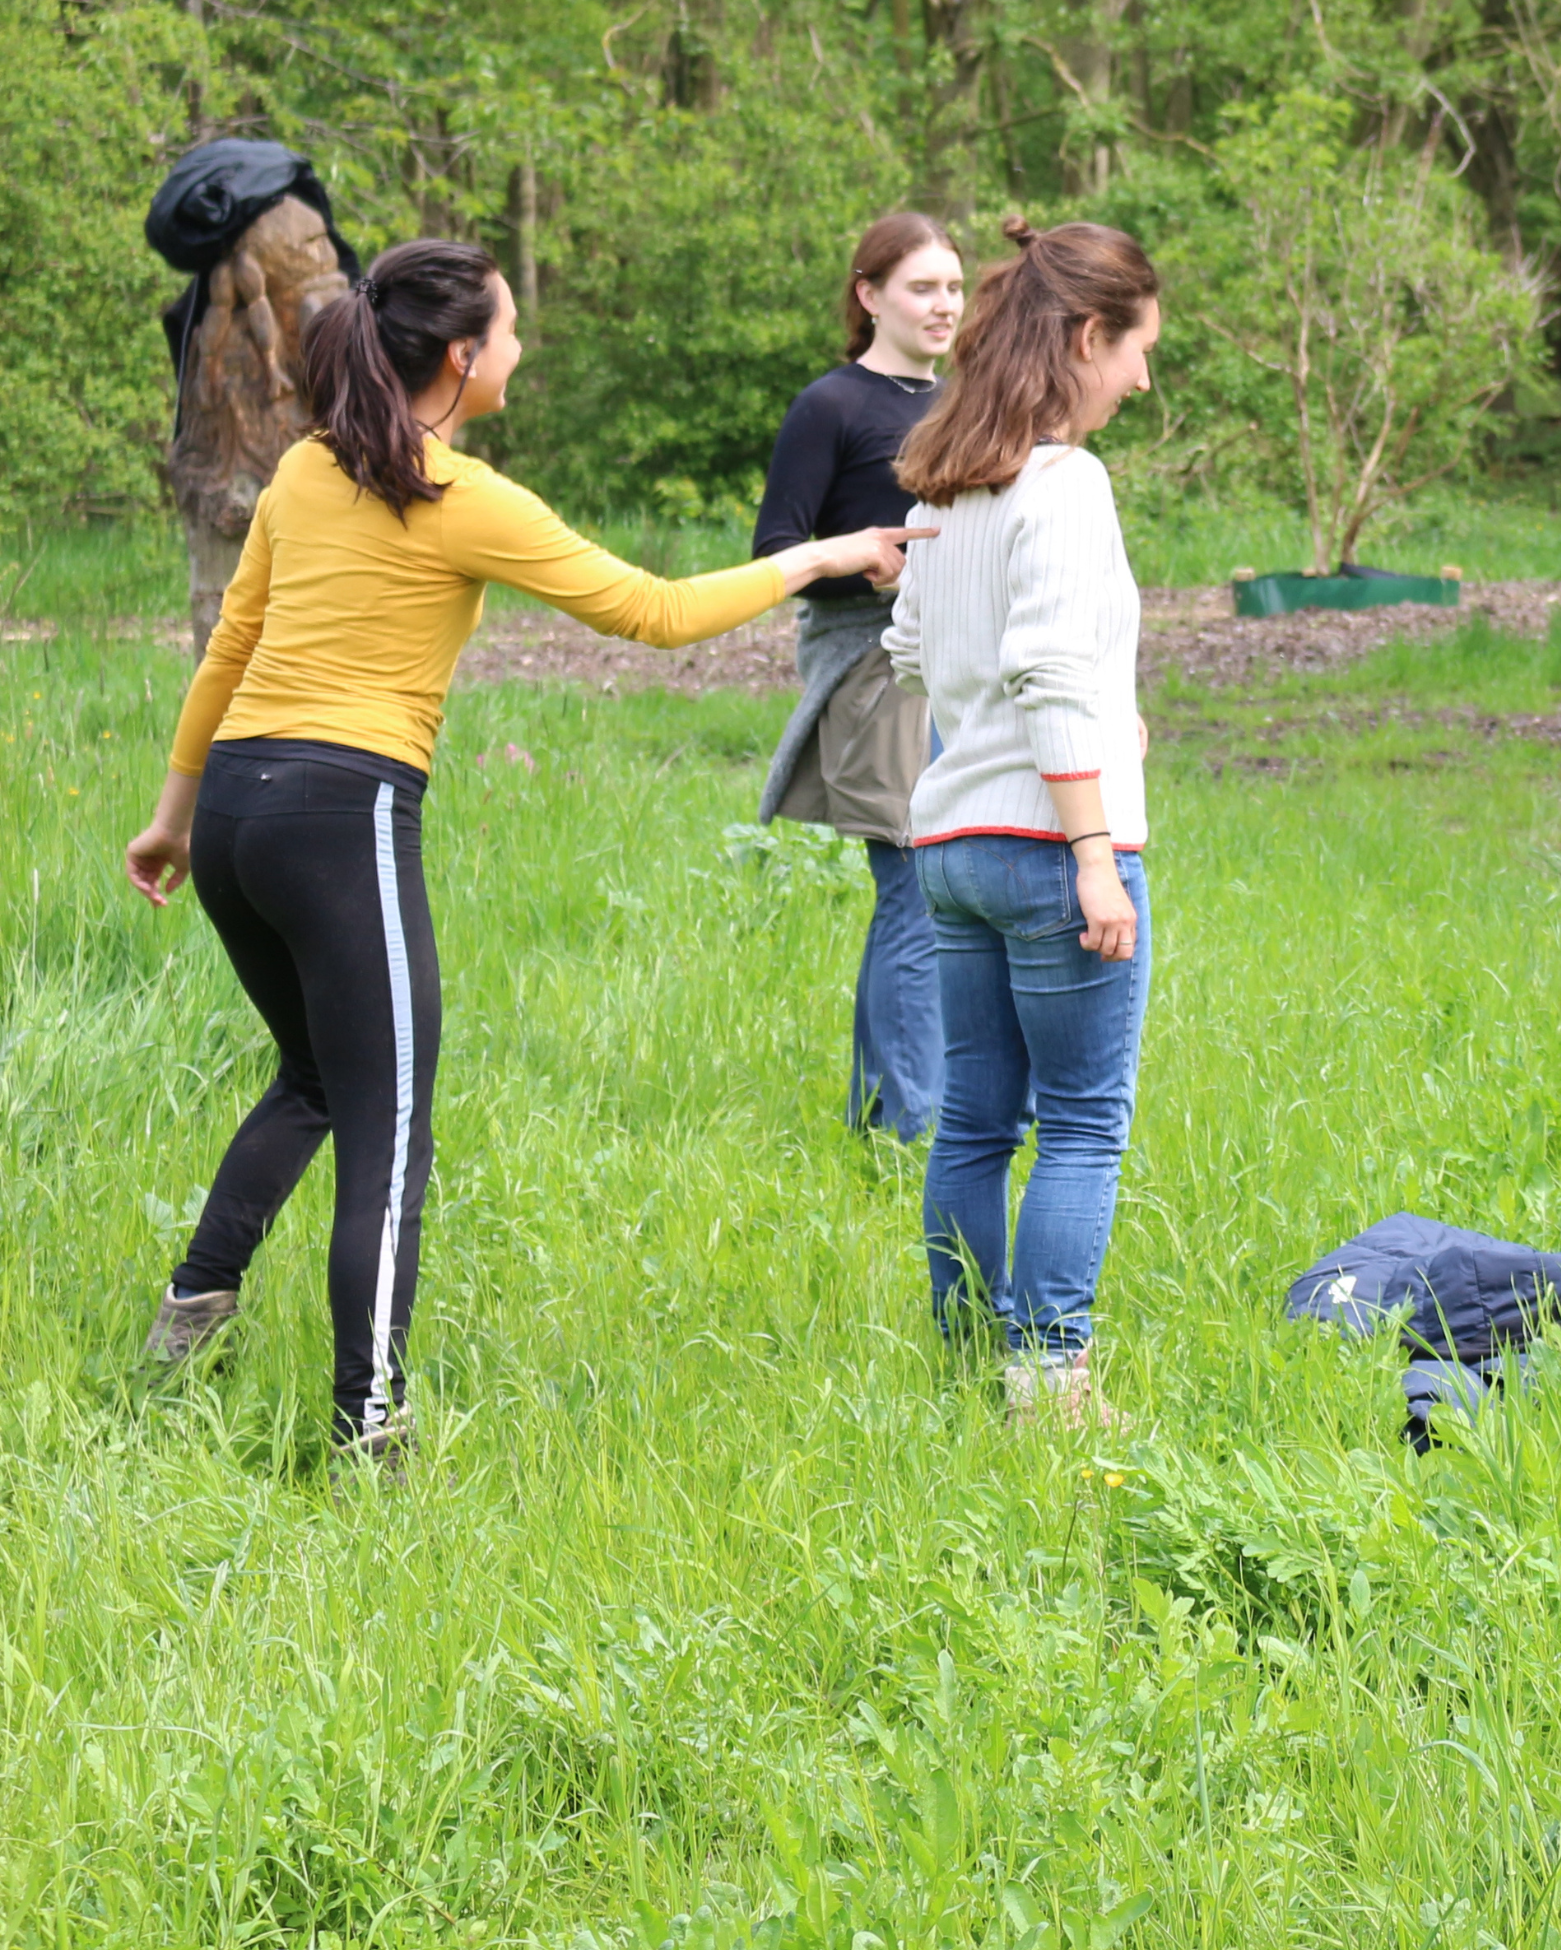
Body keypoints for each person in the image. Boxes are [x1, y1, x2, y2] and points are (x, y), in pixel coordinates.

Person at [120, 239, 921, 1464]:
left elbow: (230, 652)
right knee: (391, 1132)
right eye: (508, 331)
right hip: (343, 815)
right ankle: (369, 1428)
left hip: (235, 809)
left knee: (318, 1082)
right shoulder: (459, 493)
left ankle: (194, 1309)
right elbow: (654, 614)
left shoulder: (303, 471)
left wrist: (175, 817)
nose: (521, 349)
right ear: (460, 356)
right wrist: (826, 552)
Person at [885, 218, 1163, 1432]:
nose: (1142, 380)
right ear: (1088, 336)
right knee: (1086, 1125)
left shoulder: (950, 487)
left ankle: (966, 1356)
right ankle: (1050, 1380)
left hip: (951, 852)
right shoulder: (1064, 483)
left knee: (979, 1122)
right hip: (1056, 853)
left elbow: (911, 654)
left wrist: (1100, 720)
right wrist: (1096, 856)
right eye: (1138, 350)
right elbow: (1048, 672)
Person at [754, 210, 964, 1144]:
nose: (943, 304)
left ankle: (887, 1114)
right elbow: (776, 550)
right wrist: (864, 555)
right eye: (923, 287)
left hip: (959, 662)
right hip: (871, 664)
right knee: (914, 887)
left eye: (954, 287)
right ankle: (910, 1125)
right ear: (869, 294)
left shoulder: (962, 401)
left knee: (943, 888)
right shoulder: (832, 404)